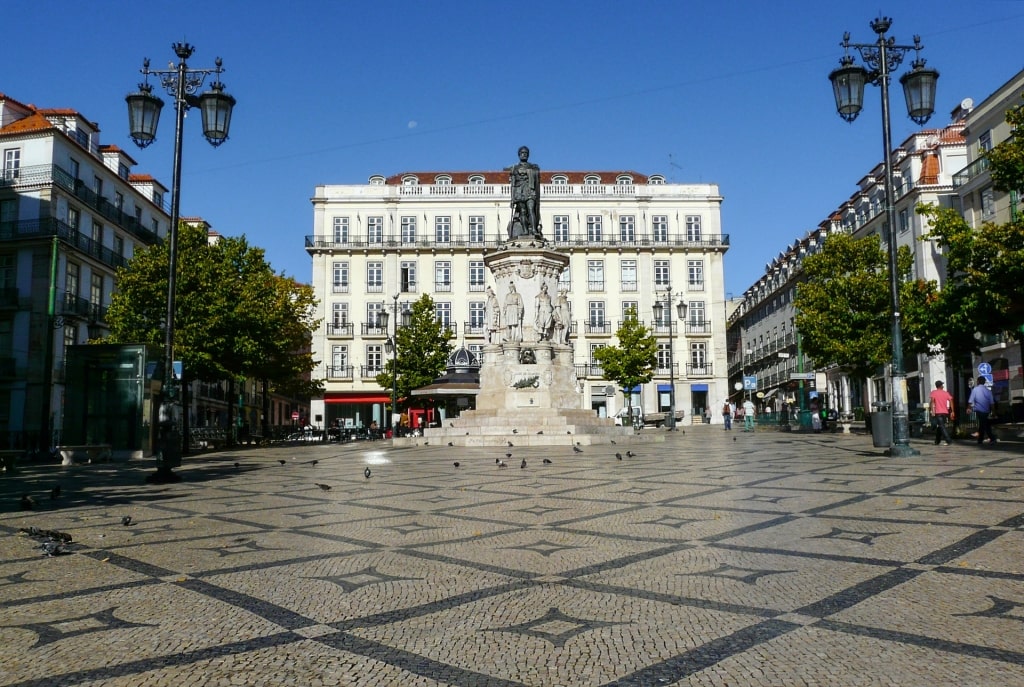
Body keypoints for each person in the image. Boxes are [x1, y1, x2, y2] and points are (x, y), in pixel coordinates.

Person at [507, 145, 541, 240]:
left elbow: (536, 178)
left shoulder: (533, 167)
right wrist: (512, 198)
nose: (524, 155)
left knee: (531, 209)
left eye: (526, 153)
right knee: (522, 211)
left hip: (530, 189)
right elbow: (513, 184)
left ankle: (534, 229)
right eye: (522, 153)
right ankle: (525, 230)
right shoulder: (514, 168)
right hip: (518, 190)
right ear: (519, 155)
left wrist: (531, 172)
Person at [967, 376, 998, 445]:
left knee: (983, 424)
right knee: (984, 424)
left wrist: (968, 408)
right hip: (987, 411)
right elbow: (992, 403)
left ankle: (987, 438)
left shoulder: (975, 389)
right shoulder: (988, 391)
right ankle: (984, 439)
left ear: (978, 381)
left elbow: (971, 400)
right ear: (984, 382)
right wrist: (994, 412)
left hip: (979, 410)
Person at [929, 380, 954, 446]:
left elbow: (932, 402)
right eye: (942, 385)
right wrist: (952, 411)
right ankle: (937, 441)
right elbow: (951, 401)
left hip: (938, 412)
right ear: (940, 386)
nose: (943, 386)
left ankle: (948, 440)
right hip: (945, 412)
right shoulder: (946, 393)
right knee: (941, 426)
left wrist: (932, 411)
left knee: (942, 426)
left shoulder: (933, 393)